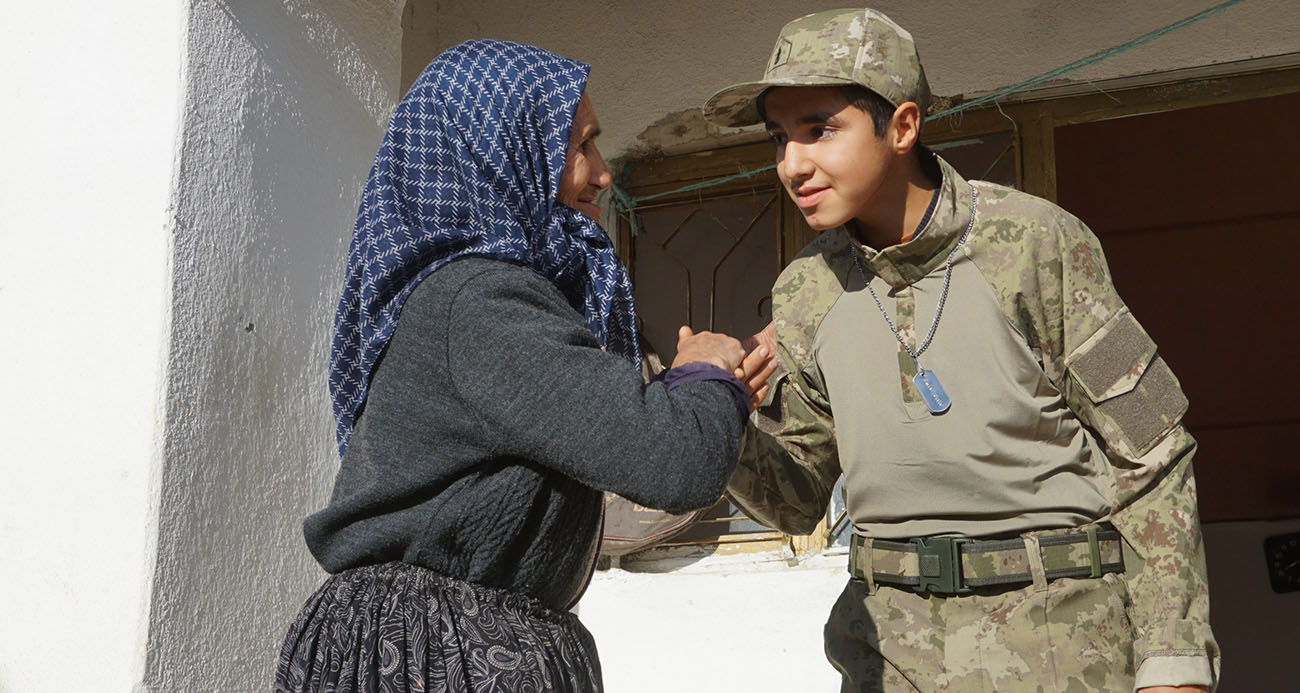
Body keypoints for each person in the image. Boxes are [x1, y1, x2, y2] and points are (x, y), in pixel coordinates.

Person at [704, 8, 1218, 692]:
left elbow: (1152, 453)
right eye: (778, 138)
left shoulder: (1035, 245)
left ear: (902, 127)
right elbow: (797, 500)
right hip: (887, 658)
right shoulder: (806, 290)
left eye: (819, 130)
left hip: (1061, 650)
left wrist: (1173, 664)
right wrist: (717, 415)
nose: (792, 165)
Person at [276, 39, 774, 692]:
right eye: (580, 145)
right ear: (499, 151)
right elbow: (675, 460)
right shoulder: (476, 301)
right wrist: (704, 369)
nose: (602, 174)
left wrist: (711, 394)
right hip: (433, 654)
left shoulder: (476, 299)